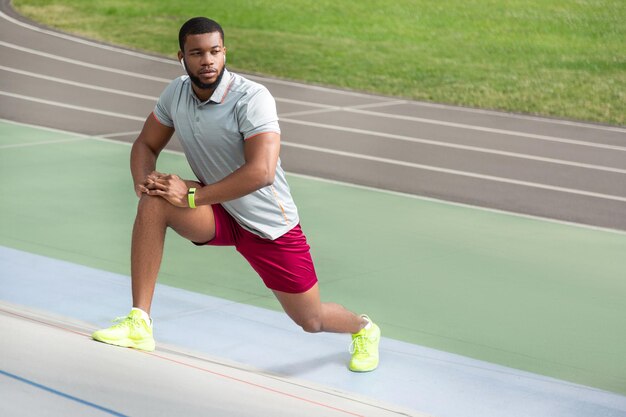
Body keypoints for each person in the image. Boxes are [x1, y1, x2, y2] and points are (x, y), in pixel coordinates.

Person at [92, 17, 380, 372]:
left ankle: (365, 329)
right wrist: (143, 181)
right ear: (180, 57)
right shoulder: (175, 93)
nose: (207, 60)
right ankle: (140, 321)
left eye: (214, 51)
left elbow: (262, 172)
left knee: (312, 320)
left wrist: (193, 198)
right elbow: (145, 143)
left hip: (268, 226)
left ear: (224, 52)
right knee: (156, 198)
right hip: (218, 210)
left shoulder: (252, 98)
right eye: (196, 53)